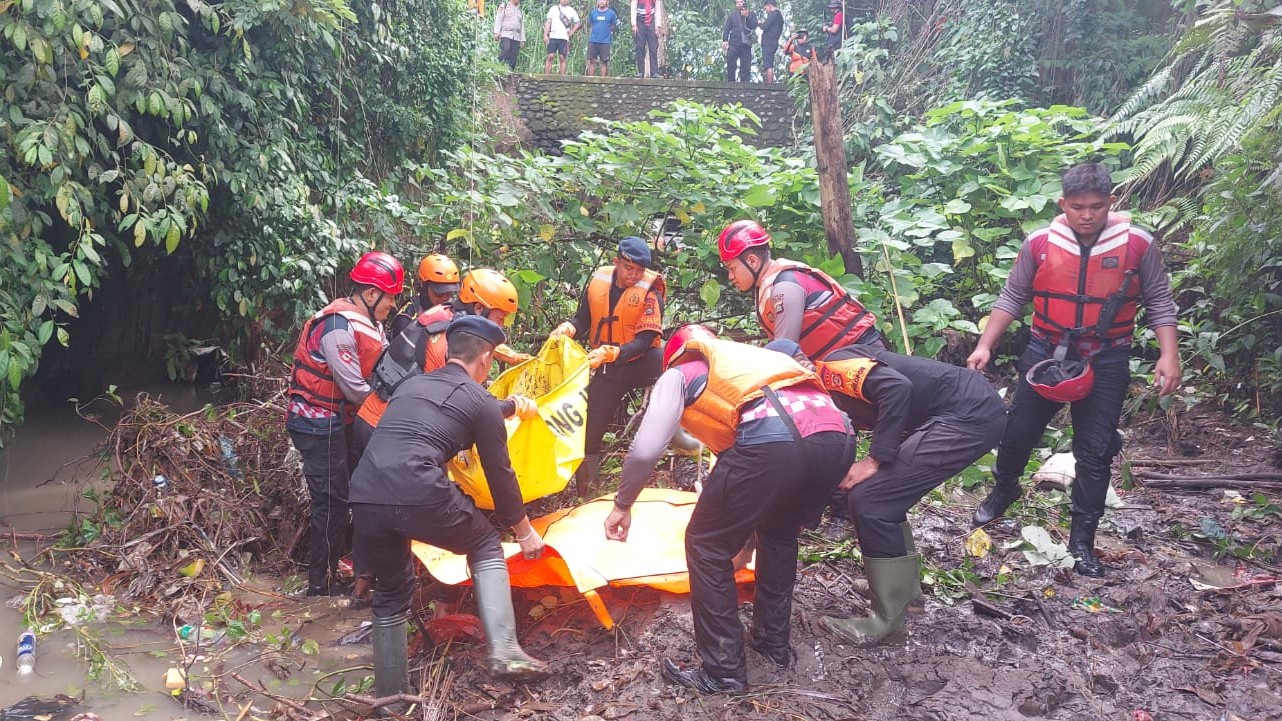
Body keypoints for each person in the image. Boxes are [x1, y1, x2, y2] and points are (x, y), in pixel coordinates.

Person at [604, 325, 855, 692]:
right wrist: (744, 542)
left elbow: (645, 450)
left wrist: (622, 504)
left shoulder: (680, 373)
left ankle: (723, 672)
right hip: (837, 438)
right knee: (779, 532)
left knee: (706, 546)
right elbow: (750, 479)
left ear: (675, 355)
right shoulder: (751, 364)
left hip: (773, 439)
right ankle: (772, 644)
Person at [966, 162, 1180, 577]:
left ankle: (1082, 540)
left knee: (1095, 451)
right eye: (1078, 207)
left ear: (1111, 202)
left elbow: (1158, 300)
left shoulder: (1138, 244)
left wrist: (1168, 354)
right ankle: (1004, 488)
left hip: (1108, 355)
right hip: (1046, 350)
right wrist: (984, 345)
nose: (1087, 215)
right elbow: (1013, 295)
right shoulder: (1040, 243)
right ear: (1063, 204)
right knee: (1018, 431)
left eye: (1096, 206)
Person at [351, 316, 549, 698]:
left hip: (364, 492)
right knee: (485, 544)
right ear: (486, 358)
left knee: (391, 593)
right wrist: (524, 532)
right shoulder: (480, 399)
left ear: (449, 353)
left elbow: (422, 429)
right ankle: (506, 652)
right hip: (417, 486)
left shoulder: (411, 386)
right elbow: (500, 474)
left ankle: (390, 699)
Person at [766, 339, 1005, 644]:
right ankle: (905, 592)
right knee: (881, 495)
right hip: (953, 413)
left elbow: (896, 388)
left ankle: (888, 624)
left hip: (969, 413)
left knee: (871, 501)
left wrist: (875, 459)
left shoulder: (832, 368)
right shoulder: (821, 394)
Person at [286, 251, 404, 597]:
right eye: (390, 297)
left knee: (356, 491)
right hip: (317, 423)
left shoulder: (370, 323)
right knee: (332, 501)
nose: (393, 305)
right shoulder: (337, 328)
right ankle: (319, 584)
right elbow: (354, 388)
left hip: (342, 419)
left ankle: (347, 566)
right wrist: (394, 412)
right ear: (371, 293)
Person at [353, 267, 531, 456]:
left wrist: (513, 358)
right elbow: (472, 407)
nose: (501, 327)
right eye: (499, 319)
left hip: (377, 416)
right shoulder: (449, 344)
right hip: (385, 428)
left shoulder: (446, 314)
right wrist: (515, 406)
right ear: (479, 309)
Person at [547, 236, 664, 497]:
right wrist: (569, 328)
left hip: (642, 361)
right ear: (616, 262)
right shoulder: (599, 282)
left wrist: (614, 352)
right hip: (608, 366)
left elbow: (646, 340)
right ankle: (587, 492)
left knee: (670, 374)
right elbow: (583, 319)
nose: (634, 275)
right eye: (629, 268)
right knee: (591, 428)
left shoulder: (650, 292)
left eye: (639, 270)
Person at [718, 219, 884, 359]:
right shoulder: (767, 285)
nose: (730, 276)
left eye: (732, 268)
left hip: (863, 355)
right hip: (841, 362)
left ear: (752, 261)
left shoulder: (784, 286)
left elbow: (784, 352)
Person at [389, 253, 459, 339]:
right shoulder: (406, 318)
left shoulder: (454, 308)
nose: (445, 298)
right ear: (423, 284)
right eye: (439, 293)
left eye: (449, 292)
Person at [722, 0, 757, 82]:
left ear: (744, 2)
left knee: (745, 66)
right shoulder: (732, 15)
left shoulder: (751, 14)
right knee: (731, 63)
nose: (739, 4)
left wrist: (747, 16)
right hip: (734, 43)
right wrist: (725, 40)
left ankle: (744, 84)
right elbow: (727, 29)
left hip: (746, 44)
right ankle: (731, 82)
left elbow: (754, 26)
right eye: (737, 2)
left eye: (741, 2)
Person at [544, 0, 581, 75]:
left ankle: (562, 77)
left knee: (562, 57)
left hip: (564, 38)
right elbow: (548, 22)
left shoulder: (571, 10)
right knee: (550, 56)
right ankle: (546, 77)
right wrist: (545, 35)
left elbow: (578, 23)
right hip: (553, 36)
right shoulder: (553, 8)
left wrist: (572, 31)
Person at [630, 0, 665, 78]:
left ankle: (654, 72)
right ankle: (641, 72)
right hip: (639, 22)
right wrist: (634, 24)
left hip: (651, 22)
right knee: (640, 47)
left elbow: (658, 10)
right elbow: (633, 8)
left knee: (653, 47)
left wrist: (657, 26)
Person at [585, 0, 619, 77]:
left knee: (604, 61)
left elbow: (613, 26)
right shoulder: (593, 13)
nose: (601, 2)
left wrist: (607, 33)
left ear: (607, 2)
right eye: (600, 0)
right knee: (592, 61)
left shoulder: (611, 13)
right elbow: (591, 25)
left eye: (603, 0)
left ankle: (603, 80)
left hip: (605, 41)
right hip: (593, 40)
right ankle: (591, 79)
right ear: (597, 2)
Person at [494, 0, 526, 71]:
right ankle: (497, 66)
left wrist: (522, 39)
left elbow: (521, 25)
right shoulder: (504, 6)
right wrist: (496, 32)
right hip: (506, 34)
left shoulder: (519, 10)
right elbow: (498, 19)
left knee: (514, 56)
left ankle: (510, 72)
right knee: (506, 49)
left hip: (516, 36)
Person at [759, 0, 783, 83]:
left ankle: (770, 83)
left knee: (768, 64)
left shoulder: (774, 14)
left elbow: (764, 26)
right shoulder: (779, 16)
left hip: (769, 42)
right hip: (774, 41)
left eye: (766, 8)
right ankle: (770, 82)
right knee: (769, 62)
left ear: (769, 6)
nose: (766, 11)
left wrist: (760, 23)